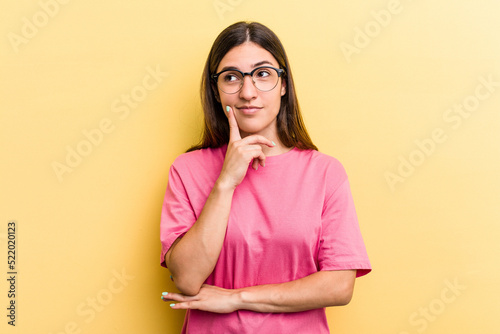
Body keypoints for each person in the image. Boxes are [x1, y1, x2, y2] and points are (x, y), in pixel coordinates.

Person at [159, 21, 371, 333]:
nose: (247, 93)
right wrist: (226, 182)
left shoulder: (325, 172)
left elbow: (339, 285)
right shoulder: (187, 170)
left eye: (262, 75)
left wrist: (237, 298)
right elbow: (188, 280)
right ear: (215, 91)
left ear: (284, 85)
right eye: (231, 77)